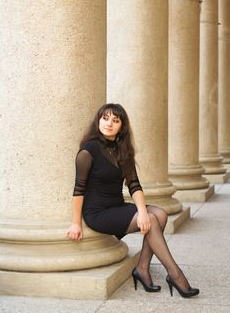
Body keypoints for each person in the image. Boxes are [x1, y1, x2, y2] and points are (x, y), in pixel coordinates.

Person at [67, 103, 199, 298]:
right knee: (153, 221)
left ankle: (142, 269)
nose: (109, 123)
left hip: (116, 206)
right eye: (105, 118)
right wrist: (76, 223)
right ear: (98, 121)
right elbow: (78, 190)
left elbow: (134, 185)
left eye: (115, 120)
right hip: (97, 213)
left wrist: (143, 212)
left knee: (160, 214)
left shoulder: (122, 150)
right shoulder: (88, 151)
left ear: (122, 126)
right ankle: (175, 274)